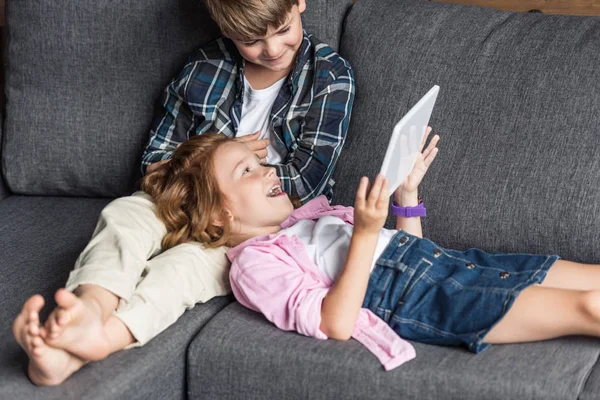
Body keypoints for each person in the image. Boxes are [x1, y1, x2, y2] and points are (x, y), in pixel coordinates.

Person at [12, 0, 354, 386]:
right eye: (251, 40)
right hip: (186, 198)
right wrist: (223, 149)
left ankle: (95, 344)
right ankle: (88, 310)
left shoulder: (328, 75)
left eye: (282, 30)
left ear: (299, 4)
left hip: (251, 229)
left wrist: (225, 167)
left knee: (180, 272)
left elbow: (305, 181)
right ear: (225, 28)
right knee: (126, 215)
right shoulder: (202, 69)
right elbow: (154, 162)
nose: (272, 50)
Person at [142, 132, 600, 370]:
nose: (267, 171)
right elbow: (334, 322)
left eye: (260, 162)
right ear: (215, 216)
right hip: (427, 299)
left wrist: (408, 195)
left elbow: (414, 250)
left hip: (455, 264)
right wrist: (363, 233)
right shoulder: (254, 263)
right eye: (246, 171)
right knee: (590, 307)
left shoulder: (312, 217)